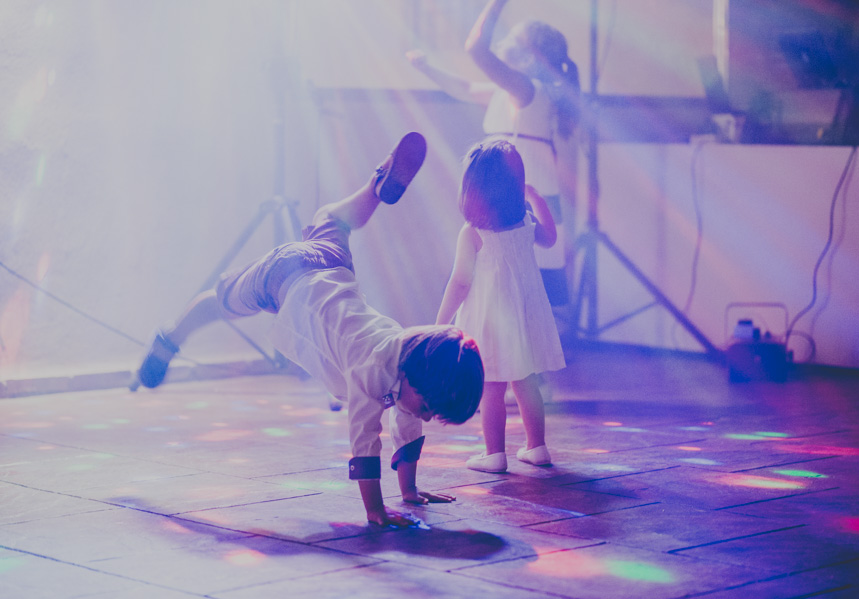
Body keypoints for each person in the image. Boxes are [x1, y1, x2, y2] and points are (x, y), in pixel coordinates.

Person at [135, 132, 485, 527]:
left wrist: (408, 492)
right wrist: (375, 510)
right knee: (221, 302)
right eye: (427, 407)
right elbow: (364, 442)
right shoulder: (372, 372)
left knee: (332, 220)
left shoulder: (410, 357)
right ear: (414, 377)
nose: (424, 414)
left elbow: (408, 419)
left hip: (331, 266)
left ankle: (376, 185)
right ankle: (169, 340)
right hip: (284, 279)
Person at [407, 0, 580, 309]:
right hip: (518, 182)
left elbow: (476, 48)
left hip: (520, 185)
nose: (501, 42)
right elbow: (466, 89)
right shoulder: (518, 90)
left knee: (515, 276)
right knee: (511, 280)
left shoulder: (527, 87)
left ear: (529, 58)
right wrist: (426, 68)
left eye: (510, 38)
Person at [436, 137, 564, 473]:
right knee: (527, 381)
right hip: (525, 314)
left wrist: (441, 322)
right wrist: (536, 198)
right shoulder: (523, 221)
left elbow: (460, 282)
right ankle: (537, 447)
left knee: (491, 386)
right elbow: (551, 239)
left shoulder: (473, 232)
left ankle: (494, 454)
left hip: (490, 319)